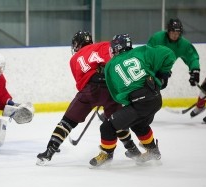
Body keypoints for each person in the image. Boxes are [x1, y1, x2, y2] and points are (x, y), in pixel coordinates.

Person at [36, 30, 141, 166]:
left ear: (77, 44)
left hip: (90, 90)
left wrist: (94, 98)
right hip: (111, 88)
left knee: (67, 122)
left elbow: (81, 84)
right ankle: (132, 149)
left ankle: (48, 152)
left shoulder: (74, 59)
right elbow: (118, 58)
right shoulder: (103, 45)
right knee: (116, 122)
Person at [89, 34, 176, 167]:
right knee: (138, 124)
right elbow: (169, 53)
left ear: (116, 48)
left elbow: (116, 95)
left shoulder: (110, 65)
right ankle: (153, 151)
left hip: (139, 103)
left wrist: (128, 100)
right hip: (155, 99)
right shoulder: (142, 51)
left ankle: (106, 154)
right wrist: (163, 74)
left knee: (107, 126)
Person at [147, 18, 201, 88]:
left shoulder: (183, 44)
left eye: (177, 33)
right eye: (173, 32)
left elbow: (192, 57)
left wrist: (195, 70)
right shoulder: (157, 38)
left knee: (160, 86)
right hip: (150, 68)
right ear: (168, 31)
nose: (175, 35)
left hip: (164, 71)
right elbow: (147, 53)